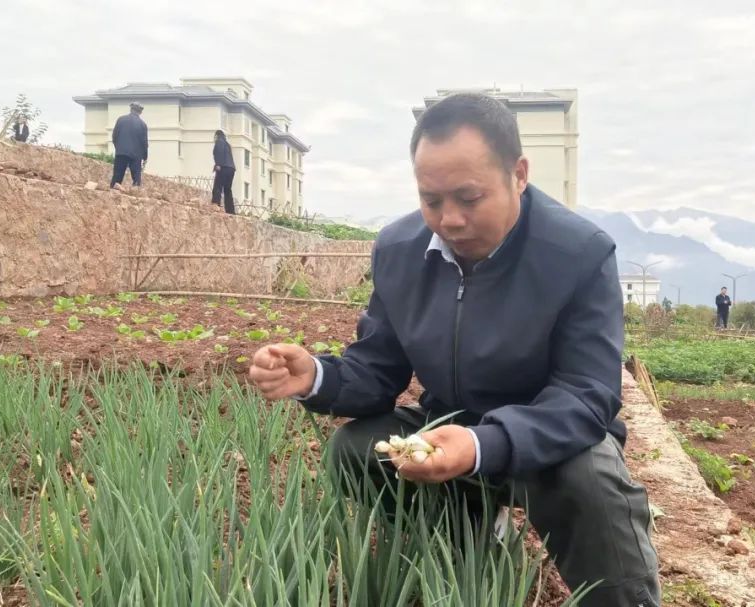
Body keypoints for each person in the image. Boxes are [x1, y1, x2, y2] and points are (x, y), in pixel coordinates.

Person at [248, 93, 660, 606]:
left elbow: (587, 394)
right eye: (431, 199)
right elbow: (377, 368)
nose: (449, 220)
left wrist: (484, 443)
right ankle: (469, 555)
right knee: (356, 452)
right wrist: (315, 377)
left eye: (469, 198)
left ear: (519, 174)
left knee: (593, 484)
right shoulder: (400, 250)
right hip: (450, 422)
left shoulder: (577, 252)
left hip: (547, 433)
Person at [110, 102, 148, 188]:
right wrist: (145, 157)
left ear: (131, 109)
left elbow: (114, 136)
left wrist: (119, 148)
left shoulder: (121, 120)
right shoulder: (143, 125)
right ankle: (136, 195)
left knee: (117, 177)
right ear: (140, 112)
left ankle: (112, 194)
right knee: (136, 179)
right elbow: (144, 143)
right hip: (136, 155)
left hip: (121, 152)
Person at [211, 130, 236, 214]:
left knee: (218, 185)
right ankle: (230, 210)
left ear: (217, 135)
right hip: (231, 168)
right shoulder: (227, 144)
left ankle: (216, 203)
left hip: (223, 167)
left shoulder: (219, 142)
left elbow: (219, 153)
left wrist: (218, 164)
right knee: (227, 189)